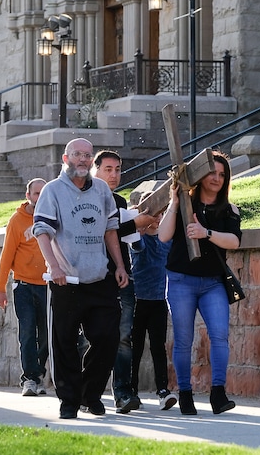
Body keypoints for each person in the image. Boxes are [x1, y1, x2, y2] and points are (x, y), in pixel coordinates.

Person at [32, 138, 129, 419]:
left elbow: (111, 230)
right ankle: (69, 401)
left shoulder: (101, 190)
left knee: (108, 338)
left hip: (99, 277)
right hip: (67, 282)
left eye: (87, 155)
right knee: (64, 344)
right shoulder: (52, 191)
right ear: (66, 159)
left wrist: (119, 266)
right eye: (77, 155)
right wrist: (55, 267)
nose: (83, 160)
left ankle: (90, 394)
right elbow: (42, 231)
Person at [157, 150, 241, 415]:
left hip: (213, 282)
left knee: (219, 335)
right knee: (183, 339)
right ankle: (185, 394)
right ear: (201, 176)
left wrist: (206, 233)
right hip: (181, 280)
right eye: (212, 173)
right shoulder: (185, 203)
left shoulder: (229, 210)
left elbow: (234, 242)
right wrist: (174, 202)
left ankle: (218, 393)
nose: (216, 178)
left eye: (221, 174)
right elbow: (163, 236)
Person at [92, 150, 156, 413]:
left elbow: (128, 240)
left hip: (122, 277)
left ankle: (123, 393)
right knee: (90, 339)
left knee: (124, 338)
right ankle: (89, 393)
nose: (114, 174)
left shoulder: (118, 200)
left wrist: (144, 226)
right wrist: (136, 223)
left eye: (117, 169)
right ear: (95, 170)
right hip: (92, 278)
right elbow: (102, 231)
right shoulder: (87, 198)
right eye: (108, 169)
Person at [0, 178, 49, 397]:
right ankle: (29, 379)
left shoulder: (53, 216)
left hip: (48, 285)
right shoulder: (17, 220)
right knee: (27, 333)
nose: (40, 197)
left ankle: (38, 376)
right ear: (28, 196)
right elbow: (6, 255)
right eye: (36, 193)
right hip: (24, 285)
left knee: (46, 334)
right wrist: (1, 288)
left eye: (43, 193)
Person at [128, 193, 176, 410]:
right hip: (137, 300)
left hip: (158, 300)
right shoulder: (136, 238)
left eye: (160, 214)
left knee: (159, 347)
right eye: (152, 215)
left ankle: (163, 391)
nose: (156, 219)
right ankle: (131, 390)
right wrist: (138, 227)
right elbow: (137, 248)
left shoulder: (167, 238)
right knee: (134, 348)